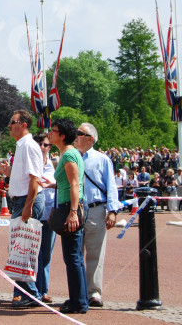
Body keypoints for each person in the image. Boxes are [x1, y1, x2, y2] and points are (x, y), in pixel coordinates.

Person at [0, 109, 44, 308]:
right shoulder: (22, 146)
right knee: (19, 249)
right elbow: (27, 178)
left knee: (22, 249)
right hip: (21, 201)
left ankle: (31, 295)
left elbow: (35, 179)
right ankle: (25, 293)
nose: (9, 125)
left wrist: (28, 207)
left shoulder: (28, 146)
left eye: (12, 121)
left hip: (26, 202)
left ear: (23, 124)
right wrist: (9, 173)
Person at [75, 123, 120, 308]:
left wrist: (112, 210)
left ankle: (94, 292)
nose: (76, 136)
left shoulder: (102, 159)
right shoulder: (71, 156)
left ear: (90, 138)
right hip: (75, 209)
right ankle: (78, 292)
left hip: (95, 209)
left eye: (80, 133)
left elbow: (111, 185)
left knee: (95, 253)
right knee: (75, 254)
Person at [49, 118, 88, 314]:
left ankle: (78, 302)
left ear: (62, 135)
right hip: (71, 204)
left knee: (72, 256)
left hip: (70, 206)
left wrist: (73, 212)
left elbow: (75, 184)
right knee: (75, 257)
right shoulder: (70, 153)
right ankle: (78, 299)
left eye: (53, 130)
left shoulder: (69, 155)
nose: (50, 133)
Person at [34, 132, 56, 304]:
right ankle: (34, 289)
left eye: (46, 144)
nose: (43, 147)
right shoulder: (31, 162)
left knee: (46, 253)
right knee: (34, 253)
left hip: (50, 212)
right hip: (35, 211)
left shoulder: (53, 163)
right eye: (40, 144)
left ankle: (44, 289)